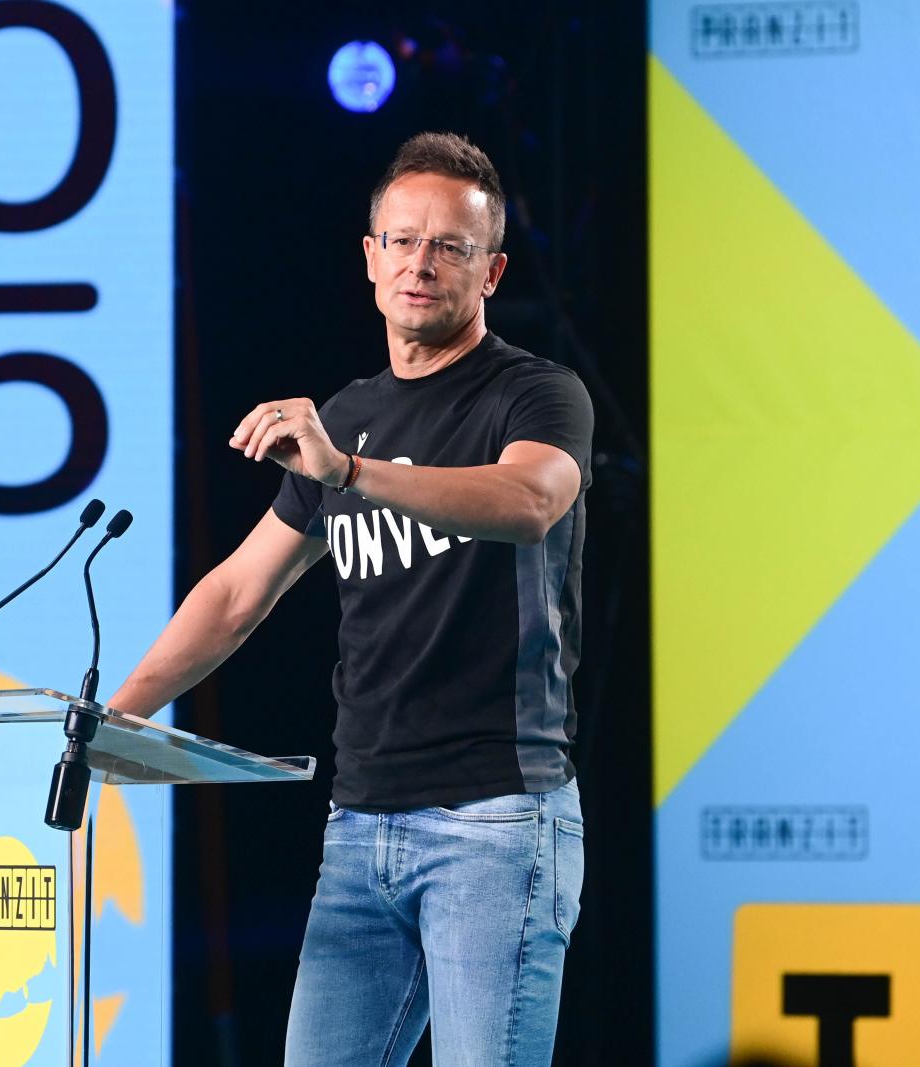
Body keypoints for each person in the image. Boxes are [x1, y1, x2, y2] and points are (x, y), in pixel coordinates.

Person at [107, 131, 594, 1066]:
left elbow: (530, 501)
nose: (420, 264)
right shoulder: (352, 414)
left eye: (449, 247)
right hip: (361, 824)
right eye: (402, 241)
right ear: (370, 258)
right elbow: (238, 590)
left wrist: (352, 473)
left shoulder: (536, 394)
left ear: (491, 272)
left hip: (495, 821)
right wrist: (112, 721)